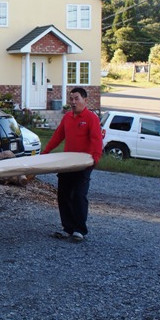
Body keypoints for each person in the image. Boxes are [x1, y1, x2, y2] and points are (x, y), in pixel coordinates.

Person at [41, 87, 103, 242]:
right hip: (67, 163)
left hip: (83, 164)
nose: (73, 102)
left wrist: (95, 159)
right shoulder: (68, 117)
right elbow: (58, 136)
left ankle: (79, 230)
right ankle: (67, 228)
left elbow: (97, 140)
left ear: (85, 100)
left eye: (77, 99)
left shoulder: (91, 118)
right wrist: (46, 152)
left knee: (79, 195)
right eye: (71, 99)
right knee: (63, 195)